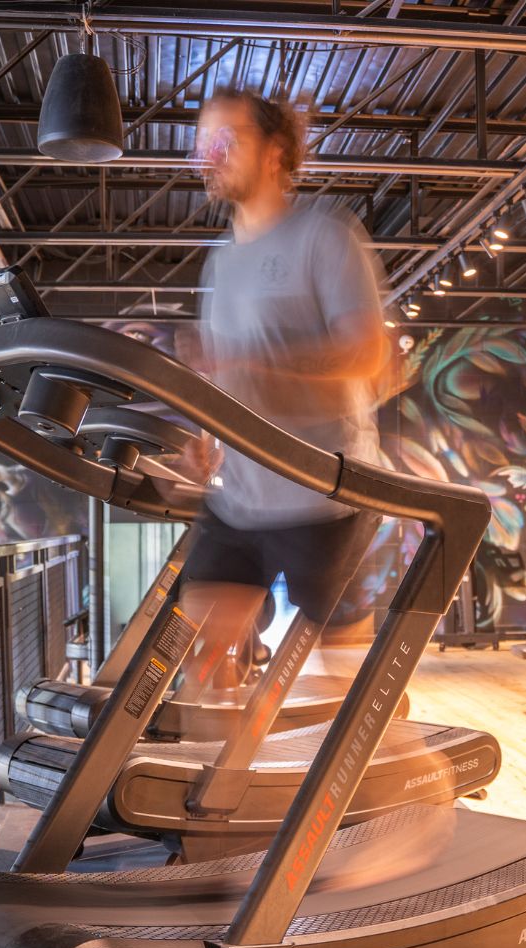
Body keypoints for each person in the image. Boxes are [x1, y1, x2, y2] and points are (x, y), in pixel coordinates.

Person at [169, 86, 394, 701]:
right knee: (199, 660)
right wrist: (204, 437)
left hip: (324, 491)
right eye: (201, 144)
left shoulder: (326, 235)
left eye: (224, 141)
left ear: (274, 150)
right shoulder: (220, 261)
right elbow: (225, 376)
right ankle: (210, 792)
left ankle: (398, 779)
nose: (206, 157)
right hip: (240, 496)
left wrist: (254, 362)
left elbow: (366, 352)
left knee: (349, 692)